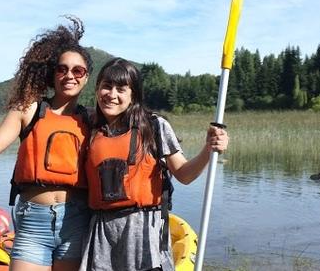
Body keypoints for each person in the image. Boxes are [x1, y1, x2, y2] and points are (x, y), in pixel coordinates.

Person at [0, 16, 93, 271]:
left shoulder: (91, 119)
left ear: (86, 78)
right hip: (33, 221)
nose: (69, 76)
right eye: (62, 69)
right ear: (52, 73)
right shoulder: (28, 110)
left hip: (76, 221)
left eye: (78, 71)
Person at [79, 58, 229, 271]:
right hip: (102, 232)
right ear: (97, 89)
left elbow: (184, 174)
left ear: (134, 95)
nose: (112, 95)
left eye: (121, 89)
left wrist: (208, 149)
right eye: (106, 86)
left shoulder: (154, 127)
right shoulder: (89, 130)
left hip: (142, 231)